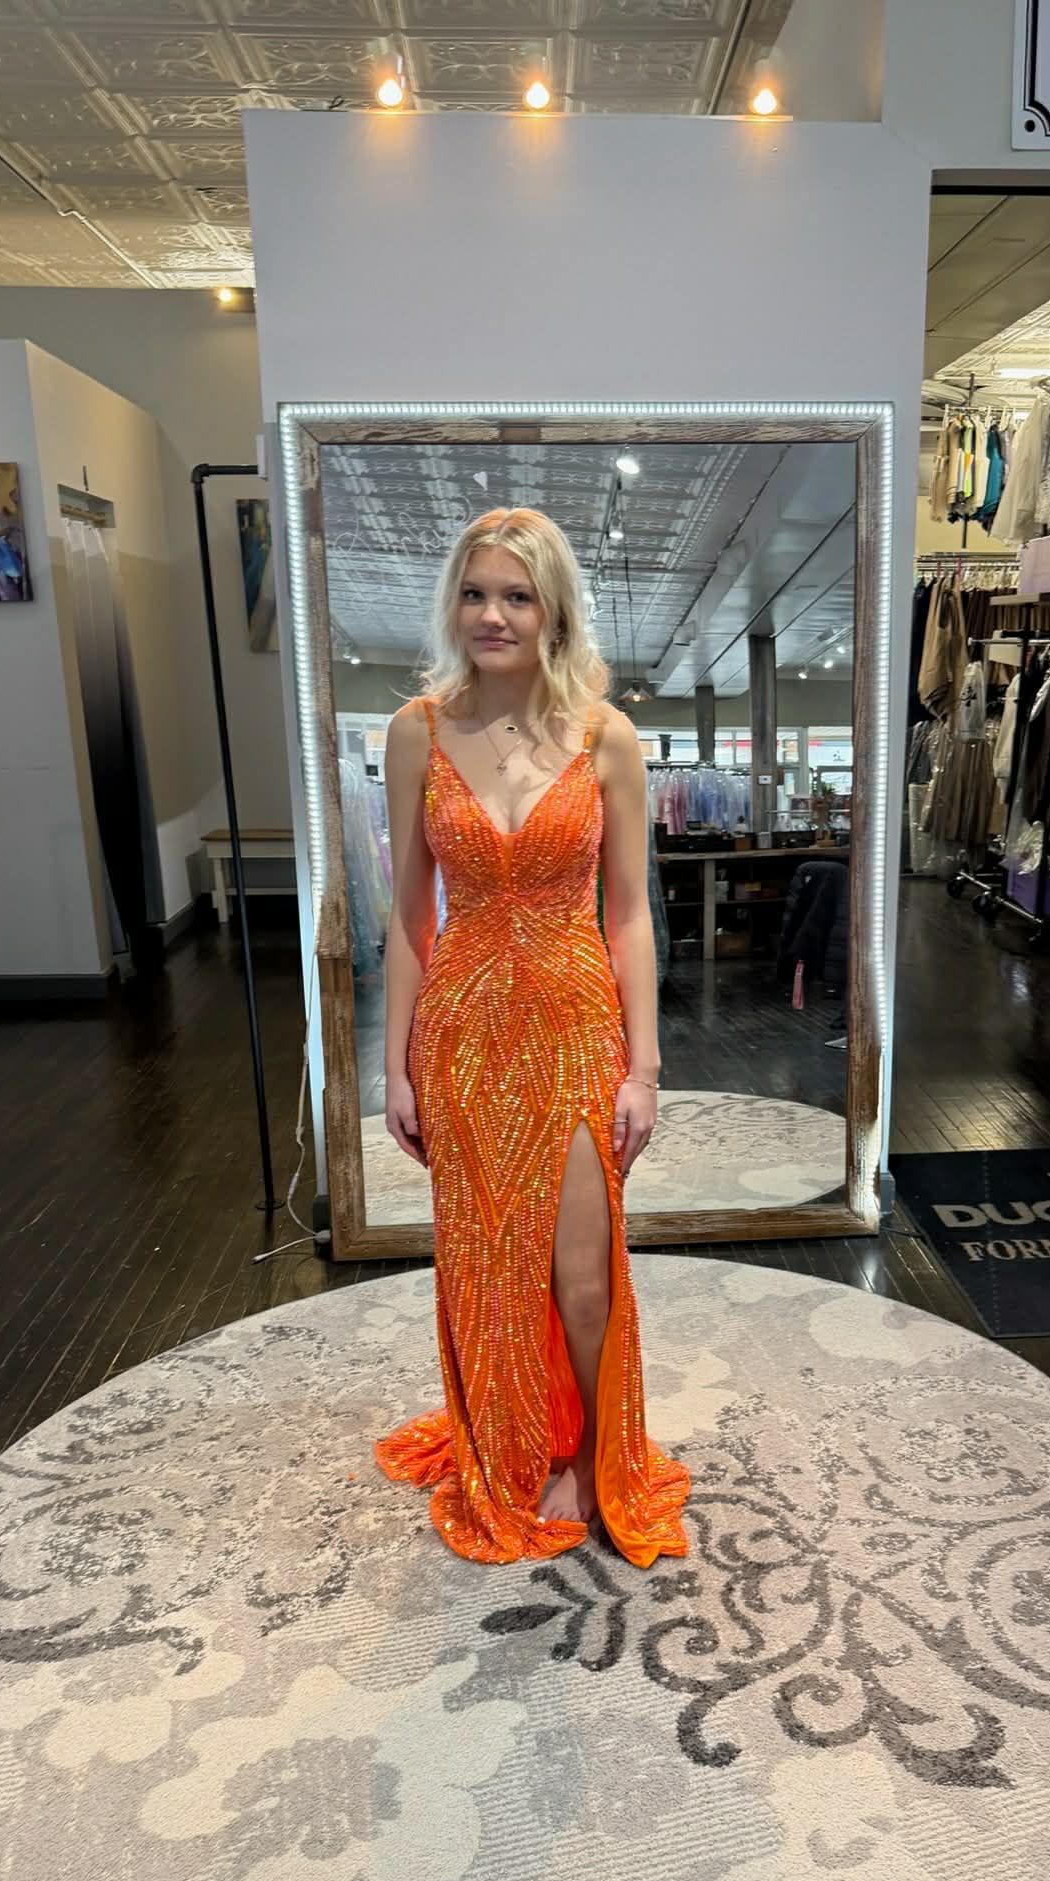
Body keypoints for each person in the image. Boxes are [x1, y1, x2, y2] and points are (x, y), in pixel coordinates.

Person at [373, 507, 691, 1569]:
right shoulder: (418, 728)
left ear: (552, 607)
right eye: (475, 593)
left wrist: (643, 1063)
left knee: (584, 1277)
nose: (493, 614)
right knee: (486, 1267)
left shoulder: (608, 737)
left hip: (571, 1023)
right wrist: (395, 1063)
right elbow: (409, 918)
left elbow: (632, 913)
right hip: (462, 1030)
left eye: (516, 594)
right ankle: (515, 1451)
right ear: (452, 604)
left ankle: (598, 1454)